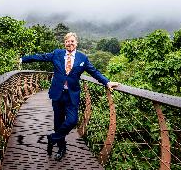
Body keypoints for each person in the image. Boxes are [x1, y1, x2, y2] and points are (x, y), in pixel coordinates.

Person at [20, 32, 120, 161]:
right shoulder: (57, 54)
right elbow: (40, 57)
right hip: (58, 94)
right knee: (58, 123)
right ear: (64, 43)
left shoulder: (82, 58)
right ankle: (62, 148)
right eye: (67, 41)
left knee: (72, 120)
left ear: (76, 43)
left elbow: (94, 72)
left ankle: (52, 138)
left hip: (72, 95)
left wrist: (106, 82)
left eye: (72, 41)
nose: (70, 43)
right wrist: (23, 59)